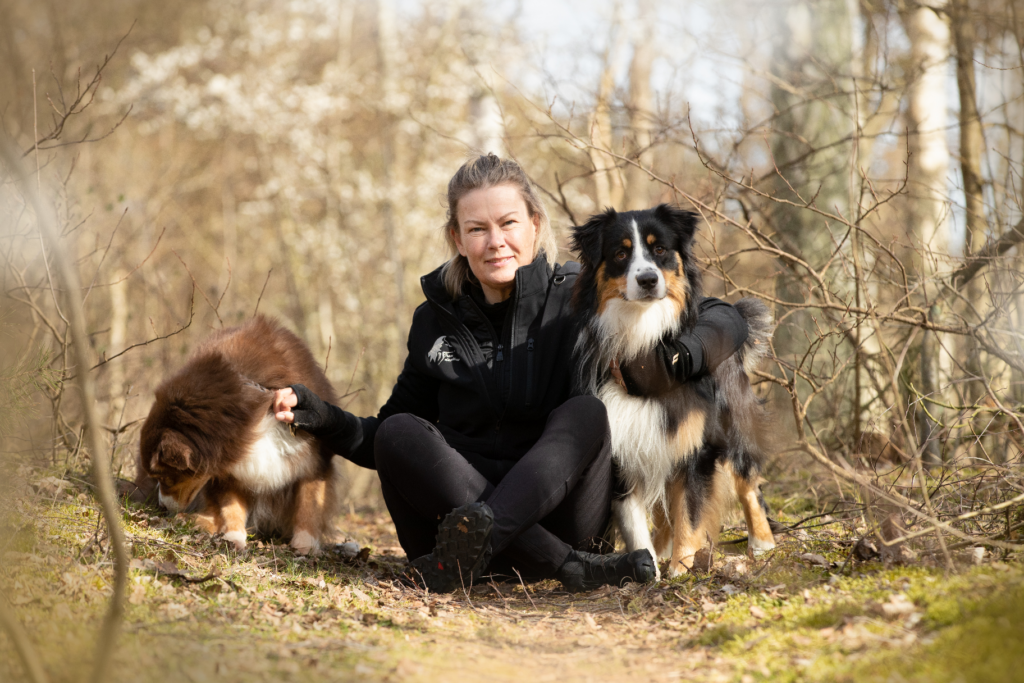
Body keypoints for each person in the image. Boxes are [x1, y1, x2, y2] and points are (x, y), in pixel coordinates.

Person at [271, 154, 749, 592]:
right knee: (397, 432)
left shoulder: (577, 298)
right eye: (477, 228)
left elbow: (724, 317)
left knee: (586, 413)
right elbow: (380, 441)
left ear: (535, 225)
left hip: (553, 521)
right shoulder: (433, 321)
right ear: (457, 239)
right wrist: (321, 415)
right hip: (450, 532)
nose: (495, 241)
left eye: (508, 223)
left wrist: (679, 358)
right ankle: (568, 568)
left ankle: (515, 547)